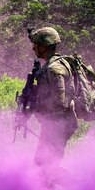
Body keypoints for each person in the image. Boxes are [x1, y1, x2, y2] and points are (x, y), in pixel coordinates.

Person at [28, 27, 78, 169]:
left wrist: (36, 107)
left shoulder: (54, 69)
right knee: (43, 165)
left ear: (45, 46)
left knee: (45, 167)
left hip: (59, 125)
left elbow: (60, 102)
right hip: (56, 124)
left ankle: (87, 189)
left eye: (36, 44)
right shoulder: (54, 64)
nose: (33, 48)